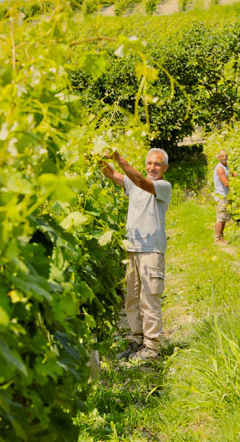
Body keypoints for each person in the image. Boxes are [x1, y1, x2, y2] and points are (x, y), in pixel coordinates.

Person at [100, 148, 172, 360]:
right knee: (132, 300)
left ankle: (152, 348)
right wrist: (96, 157)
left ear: (165, 168)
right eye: (149, 163)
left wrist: (118, 157)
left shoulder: (162, 186)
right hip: (132, 249)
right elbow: (110, 173)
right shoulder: (131, 184)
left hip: (151, 250)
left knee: (149, 300)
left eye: (157, 164)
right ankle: (137, 340)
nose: (152, 167)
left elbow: (140, 181)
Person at [213, 150, 236, 244]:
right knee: (221, 218)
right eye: (222, 156)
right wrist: (237, 186)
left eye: (225, 155)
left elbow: (234, 175)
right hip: (222, 196)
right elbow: (226, 183)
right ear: (218, 158)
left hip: (226, 195)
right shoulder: (220, 169)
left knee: (224, 217)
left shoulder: (226, 167)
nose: (224, 157)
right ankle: (217, 239)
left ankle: (221, 237)